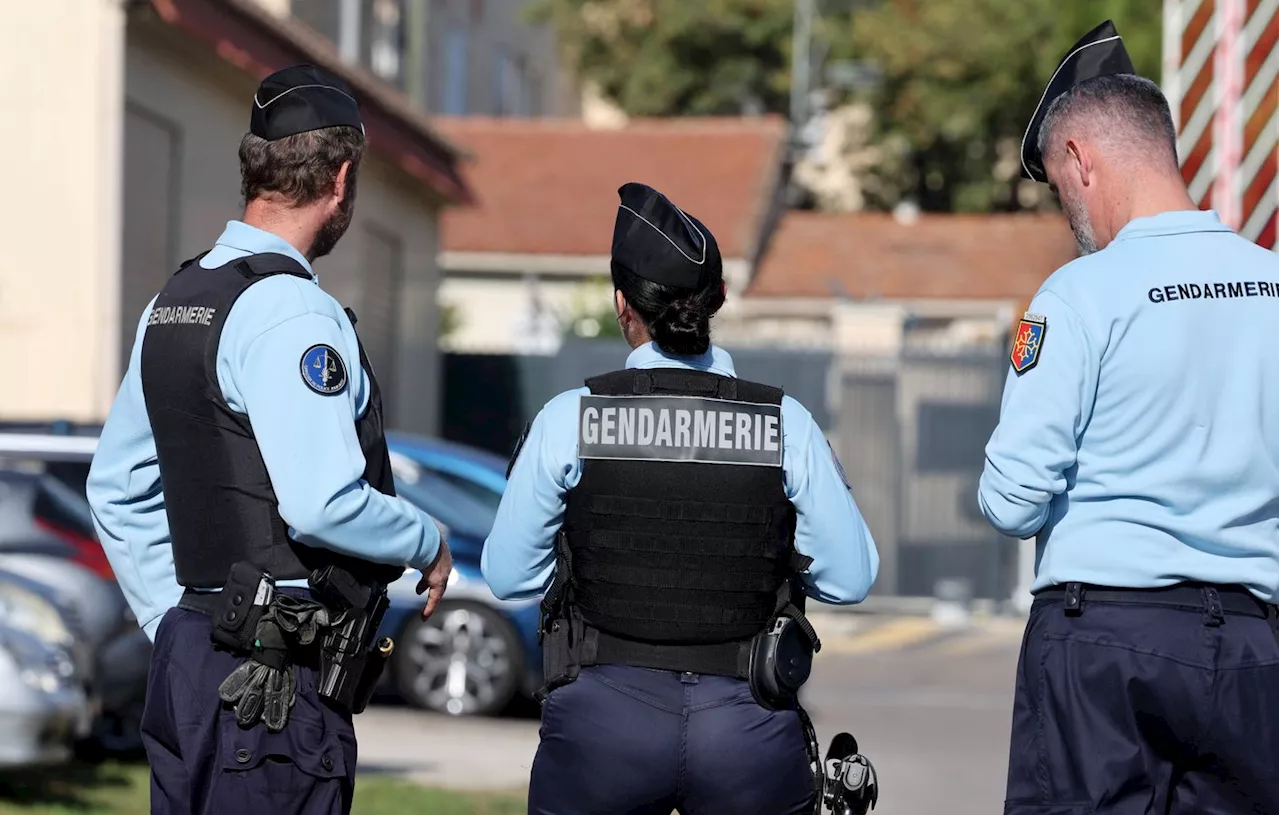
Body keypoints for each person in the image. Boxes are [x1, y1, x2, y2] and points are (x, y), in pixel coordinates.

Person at [86, 64, 452, 815]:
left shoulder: (177, 299)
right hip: (274, 690)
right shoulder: (293, 311)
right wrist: (427, 538)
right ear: (341, 179)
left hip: (194, 661)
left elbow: (116, 489)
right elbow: (320, 503)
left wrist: (178, 621)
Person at [481, 182, 880, 815]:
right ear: (718, 299)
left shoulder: (571, 420)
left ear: (622, 304)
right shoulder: (785, 425)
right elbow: (852, 577)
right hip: (747, 725)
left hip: (602, 731)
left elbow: (507, 576)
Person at [981, 20, 1280, 815]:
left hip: (1104, 643)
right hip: (1256, 647)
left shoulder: (1080, 294)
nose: (1066, 213)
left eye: (1056, 182)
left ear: (1082, 157)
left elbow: (1013, 500)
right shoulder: (1273, 284)